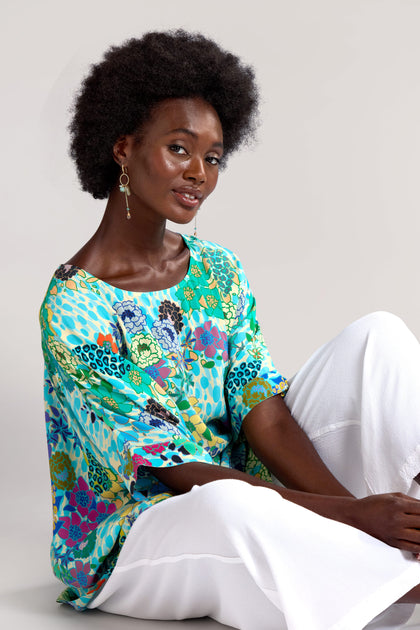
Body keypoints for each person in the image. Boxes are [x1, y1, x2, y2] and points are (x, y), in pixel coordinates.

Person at [40, 30, 420, 630]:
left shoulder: (218, 269)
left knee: (380, 337)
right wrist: (348, 520)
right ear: (122, 147)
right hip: (145, 534)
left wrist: (356, 512)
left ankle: (389, 544)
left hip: (252, 490)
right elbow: (169, 467)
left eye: (213, 157)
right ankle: (387, 572)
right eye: (179, 149)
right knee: (226, 501)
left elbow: (259, 409)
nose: (200, 173)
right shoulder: (73, 306)